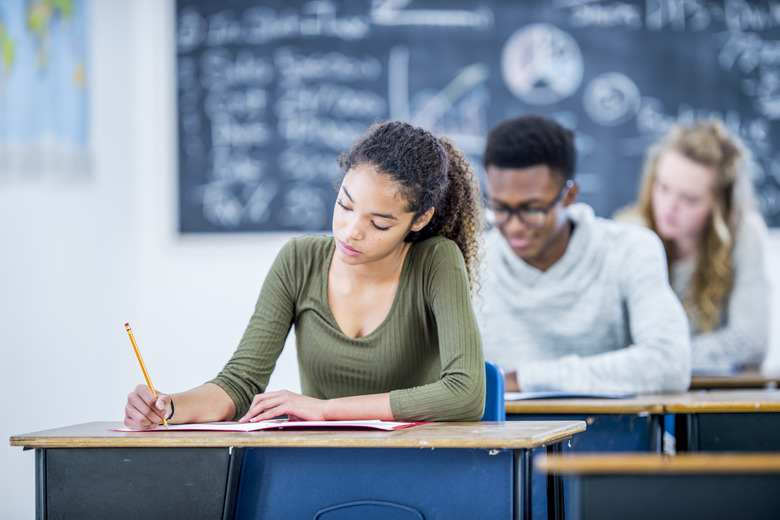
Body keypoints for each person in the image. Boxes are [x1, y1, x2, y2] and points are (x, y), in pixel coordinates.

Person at [124, 121, 486, 430]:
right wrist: (168, 407)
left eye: (378, 223)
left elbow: (465, 393)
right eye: (344, 205)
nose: (350, 231)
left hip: (418, 463)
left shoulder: (436, 260)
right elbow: (240, 384)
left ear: (419, 219)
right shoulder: (299, 260)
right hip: (320, 461)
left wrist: (326, 410)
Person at [479, 114, 690, 394]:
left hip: (613, 434)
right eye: (501, 208)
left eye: (533, 209)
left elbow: (670, 364)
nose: (515, 226)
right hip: (494, 438)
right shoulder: (468, 260)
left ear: (569, 194)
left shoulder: (630, 250)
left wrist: (523, 379)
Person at [623, 120, 771, 371]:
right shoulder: (629, 232)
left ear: (718, 205)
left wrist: (659, 358)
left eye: (689, 199)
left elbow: (751, 341)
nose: (669, 206)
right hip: (644, 397)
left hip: (717, 398)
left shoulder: (745, 232)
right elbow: (615, 341)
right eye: (663, 187)